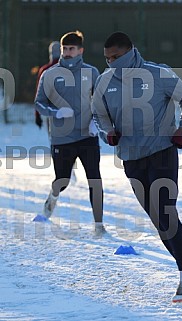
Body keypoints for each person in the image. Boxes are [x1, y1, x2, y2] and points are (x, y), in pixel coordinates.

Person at [91, 31, 182, 302]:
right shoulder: (104, 82)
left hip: (162, 152)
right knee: (159, 222)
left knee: (166, 212)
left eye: (115, 57)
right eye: (107, 59)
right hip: (131, 157)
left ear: (130, 52)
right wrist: (108, 132)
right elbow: (98, 114)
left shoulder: (158, 73)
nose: (110, 63)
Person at [35, 31, 105, 236]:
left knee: (95, 180)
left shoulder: (92, 72)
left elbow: (102, 101)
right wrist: (55, 112)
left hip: (87, 136)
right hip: (62, 138)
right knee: (62, 180)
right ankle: (53, 195)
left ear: (80, 50)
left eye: (71, 49)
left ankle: (99, 225)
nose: (66, 53)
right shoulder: (49, 74)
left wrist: (96, 121)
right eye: (64, 49)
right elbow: (39, 103)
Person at [35, 41, 61, 129]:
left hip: (50, 109)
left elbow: (38, 93)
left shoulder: (45, 70)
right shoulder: (68, 68)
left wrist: (37, 114)